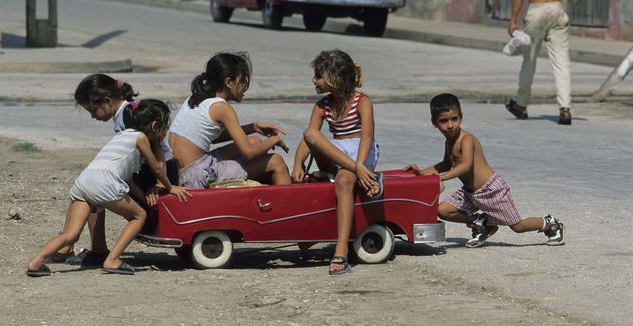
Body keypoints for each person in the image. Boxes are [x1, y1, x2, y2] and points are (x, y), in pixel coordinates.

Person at [26, 99, 192, 277]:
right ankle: (112, 259)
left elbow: (129, 182)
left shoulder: (121, 136)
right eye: (164, 128)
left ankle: (36, 262)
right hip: (104, 183)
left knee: (71, 234)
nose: (164, 133)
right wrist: (170, 187)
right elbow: (158, 168)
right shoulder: (141, 138)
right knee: (139, 216)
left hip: (84, 181)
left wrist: (144, 200)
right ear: (155, 125)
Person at [404, 93, 565, 248]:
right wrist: (421, 173)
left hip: (491, 190)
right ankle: (483, 224)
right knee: (443, 210)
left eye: (454, 119)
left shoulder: (467, 139)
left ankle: (550, 223)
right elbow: (446, 164)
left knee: (517, 226)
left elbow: (465, 165)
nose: (450, 125)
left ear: (461, 117)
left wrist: (442, 178)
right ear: (434, 122)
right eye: (443, 121)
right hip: (470, 193)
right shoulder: (449, 142)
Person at [292, 50, 382, 275]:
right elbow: (309, 139)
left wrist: (359, 163)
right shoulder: (321, 106)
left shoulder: (362, 102)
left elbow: (367, 136)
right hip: (339, 155)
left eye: (318, 75)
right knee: (311, 134)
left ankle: (341, 251)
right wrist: (297, 163)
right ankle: (359, 174)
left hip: (361, 152)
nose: (314, 80)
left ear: (334, 79)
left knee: (343, 180)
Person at [169, 52, 291, 188]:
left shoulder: (197, 97)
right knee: (276, 161)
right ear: (229, 82)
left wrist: (253, 127)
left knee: (254, 141)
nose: (245, 86)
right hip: (198, 176)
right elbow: (249, 153)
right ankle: (289, 206)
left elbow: (209, 137)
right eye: (243, 80)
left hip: (182, 171)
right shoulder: (222, 107)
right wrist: (274, 140)